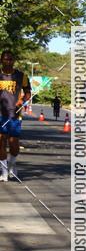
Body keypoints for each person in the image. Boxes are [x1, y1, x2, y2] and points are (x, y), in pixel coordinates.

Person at [0, 50, 31, 182]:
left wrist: (23, 101)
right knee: (1, 141)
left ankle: (12, 165)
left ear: (14, 61)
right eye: (6, 59)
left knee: (14, 144)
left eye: (10, 59)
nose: (8, 61)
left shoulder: (21, 76)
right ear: (1, 60)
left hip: (15, 115)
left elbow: (28, 92)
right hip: (1, 113)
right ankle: (4, 171)